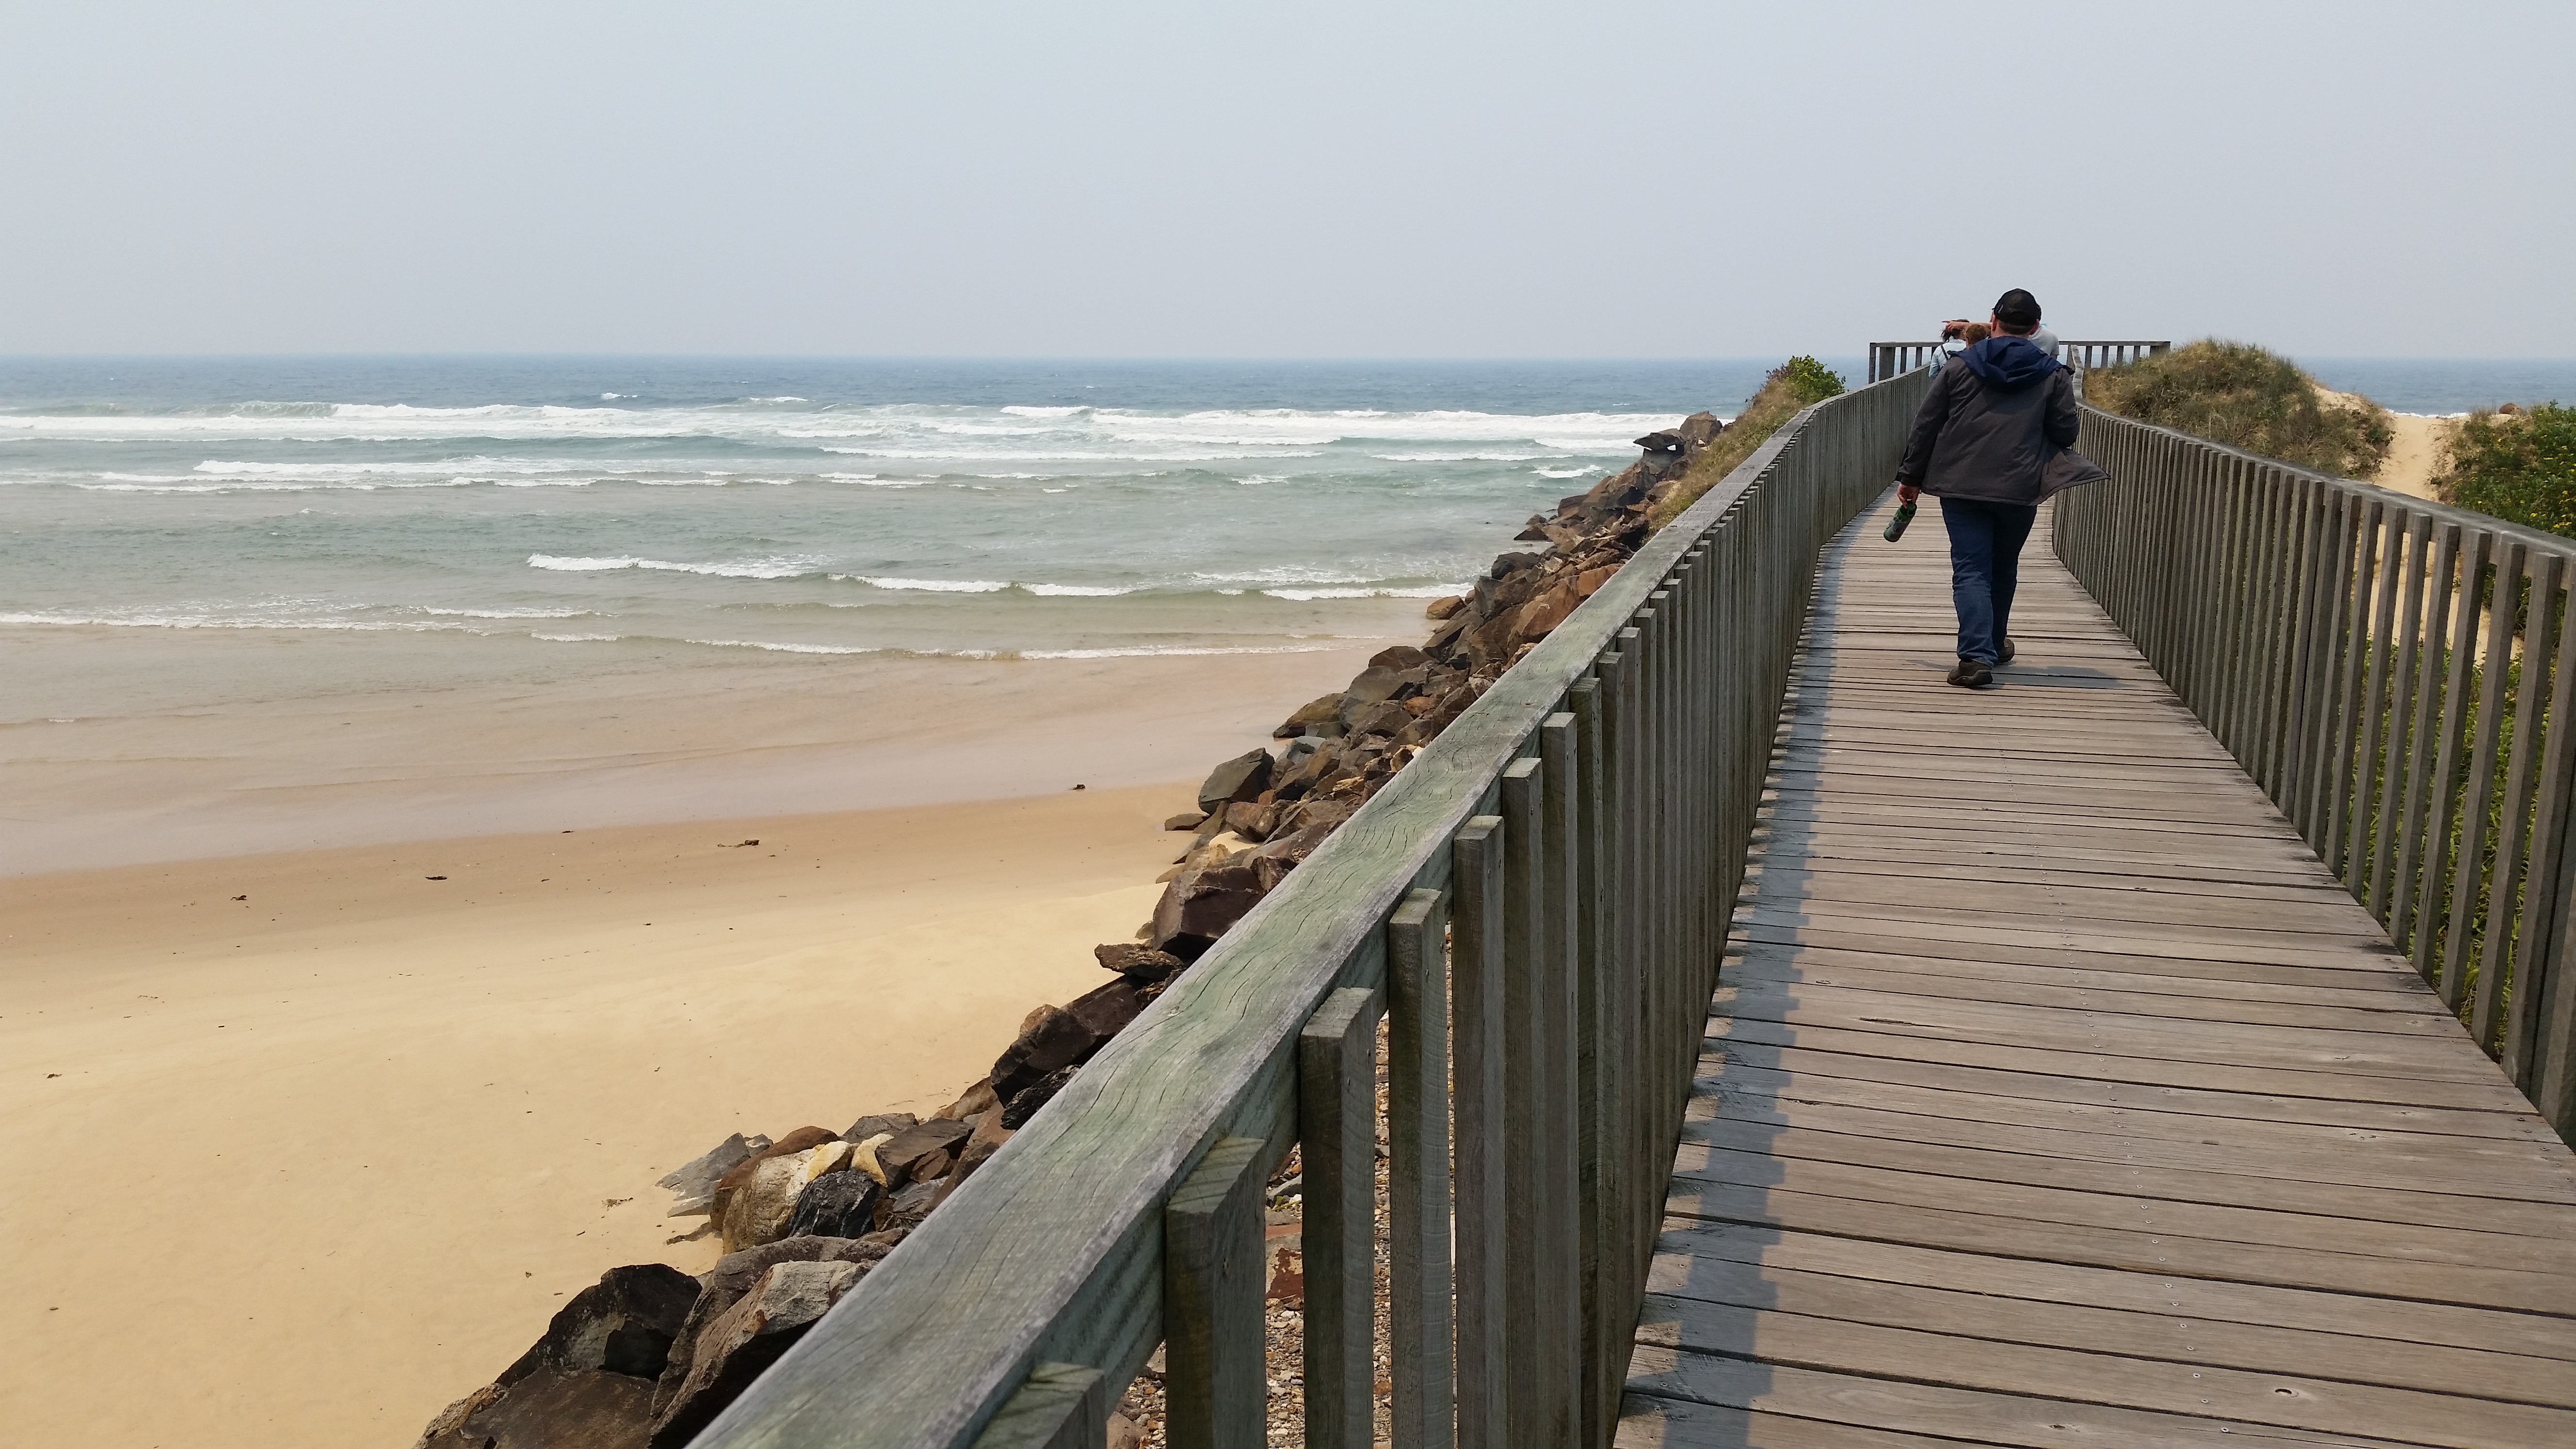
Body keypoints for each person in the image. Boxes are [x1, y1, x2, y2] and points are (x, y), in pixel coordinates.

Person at [1895, 288, 2104, 688]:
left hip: (1961, 483)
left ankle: (1976, 656)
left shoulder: (1959, 367)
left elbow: (1927, 425)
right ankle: (1992, 642)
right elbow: (2065, 430)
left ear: (1993, 321)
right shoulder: (2052, 374)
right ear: (2036, 327)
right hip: (2020, 483)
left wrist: (1911, 478)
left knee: (1971, 568)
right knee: (2003, 566)